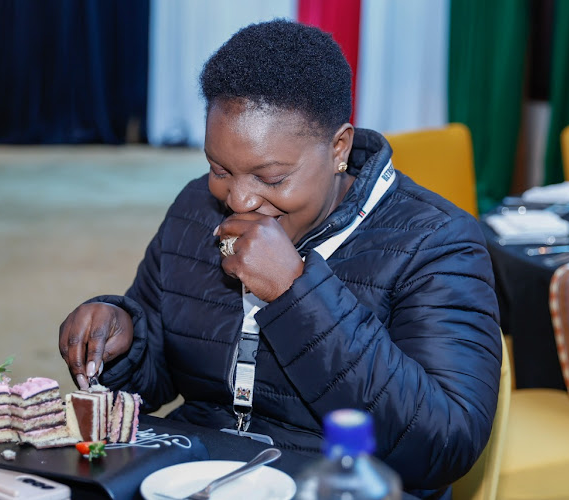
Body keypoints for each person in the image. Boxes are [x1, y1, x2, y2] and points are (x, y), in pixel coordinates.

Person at [59, 19, 501, 499]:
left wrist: (295, 293)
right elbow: (158, 377)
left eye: (270, 178)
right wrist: (125, 339)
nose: (240, 200)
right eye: (220, 169)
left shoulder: (437, 239)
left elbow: (444, 445)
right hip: (199, 474)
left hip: (336, 484)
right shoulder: (195, 208)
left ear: (339, 148)